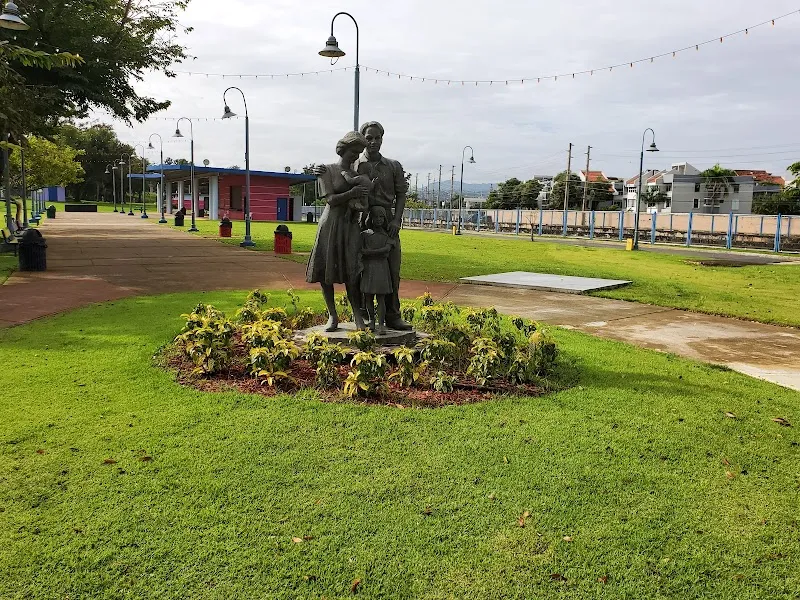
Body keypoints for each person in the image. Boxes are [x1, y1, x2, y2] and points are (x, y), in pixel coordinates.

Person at [306, 131, 370, 331]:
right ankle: (332, 316)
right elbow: (331, 200)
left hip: (349, 225)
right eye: (353, 151)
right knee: (326, 270)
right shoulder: (327, 170)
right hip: (331, 223)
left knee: (352, 271)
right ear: (344, 149)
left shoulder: (357, 175)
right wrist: (352, 193)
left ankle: (357, 316)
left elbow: (363, 201)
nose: (355, 156)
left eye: (359, 153)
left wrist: (361, 200)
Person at [359, 206, 395, 334]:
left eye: (381, 217)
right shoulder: (364, 235)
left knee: (381, 298)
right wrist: (369, 253)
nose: (379, 220)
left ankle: (381, 324)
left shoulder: (387, 235)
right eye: (376, 217)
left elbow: (386, 251)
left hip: (381, 268)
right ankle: (371, 321)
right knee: (368, 297)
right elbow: (360, 251)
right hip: (369, 269)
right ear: (371, 218)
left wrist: (369, 252)